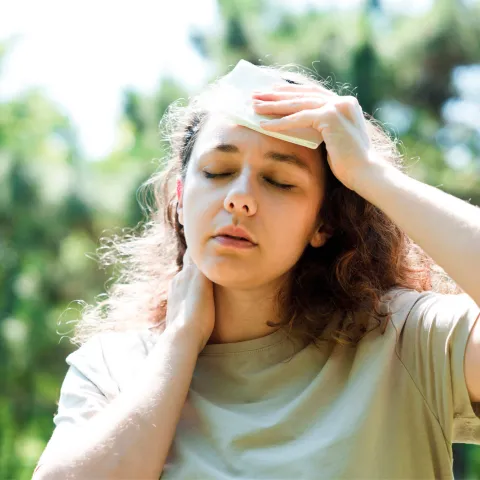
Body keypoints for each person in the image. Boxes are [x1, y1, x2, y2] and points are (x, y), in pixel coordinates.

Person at [34, 61, 480, 479]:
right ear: (179, 194)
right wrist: (179, 343)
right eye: (217, 171)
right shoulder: (115, 368)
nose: (239, 198)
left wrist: (371, 173)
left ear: (324, 222)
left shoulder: (410, 340)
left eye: (279, 181)